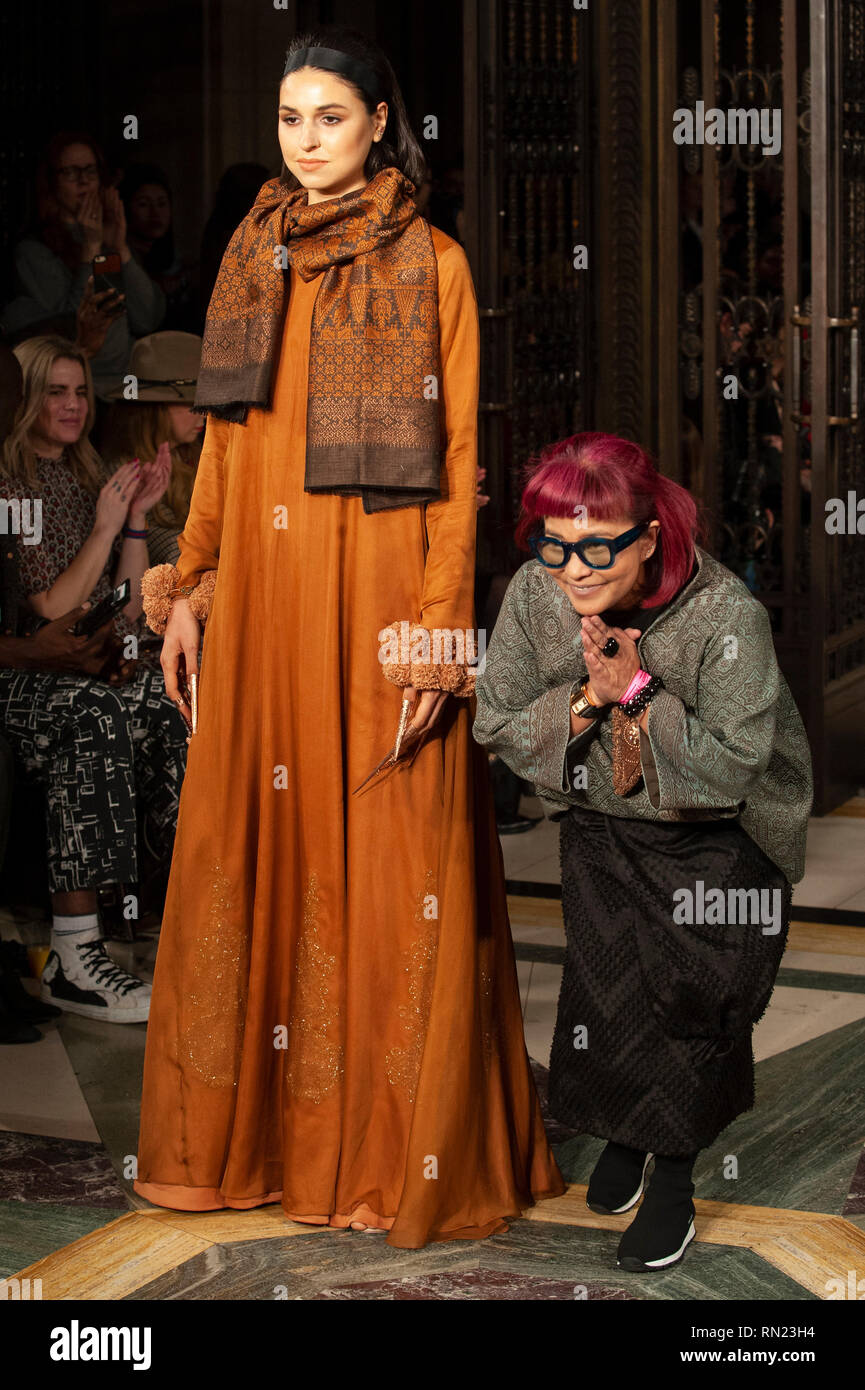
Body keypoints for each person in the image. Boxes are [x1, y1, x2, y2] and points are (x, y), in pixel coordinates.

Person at [133, 23, 565, 1246]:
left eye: (330, 117)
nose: (307, 140)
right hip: (265, 591)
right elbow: (223, 432)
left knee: (392, 850)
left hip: (379, 591)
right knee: (251, 840)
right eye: (289, 119)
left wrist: (439, 632)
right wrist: (193, 579)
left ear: (380, 123)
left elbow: (462, 464)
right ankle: (260, 1144)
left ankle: (388, 1155)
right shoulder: (250, 252)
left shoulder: (435, 265)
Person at [473, 431, 813, 1272]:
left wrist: (638, 692)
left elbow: (733, 764)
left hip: (720, 836)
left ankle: (674, 1179)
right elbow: (497, 721)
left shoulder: (724, 614)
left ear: (650, 536)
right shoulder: (535, 594)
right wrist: (590, 698)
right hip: (604, 822)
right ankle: (628, 1134)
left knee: (693, 999)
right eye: (553, 545)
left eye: (597, 547)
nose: (573, 570)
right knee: (609, 994)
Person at [0, 335, 189, 1022]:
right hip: (25, 668)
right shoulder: (9, 483)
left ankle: (191, 913)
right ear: (26, 397)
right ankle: (76, 957)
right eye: (56, 390)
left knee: (170, 703)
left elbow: (129, 607)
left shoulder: (90, 474)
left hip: (84, 659)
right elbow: (51, 608)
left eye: (81, 390)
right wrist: (108, 527)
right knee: (93, 712)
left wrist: (134, 520)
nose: (74, 404)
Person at [1, 131, 165, 397]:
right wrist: (90, 250)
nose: (84, 181)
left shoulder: (107, 238)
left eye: (90, 170)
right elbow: (70, 324)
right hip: (74, 386)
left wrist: (119, 249)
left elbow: (146, 318)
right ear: (51, 182)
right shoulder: (33, 250)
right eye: (70, 172)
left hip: (121, 385)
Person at [99, 331, 205, 568]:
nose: (203, 413)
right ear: (154, 408)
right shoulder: (124, 472)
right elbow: (161, 543)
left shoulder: (197, 455)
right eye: (191, 403)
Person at [119, 163, 200, 334]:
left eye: (162, 204)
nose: (155, 213)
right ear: (125, 209)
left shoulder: (178, 257)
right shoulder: (121, 255)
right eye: (143, 204)